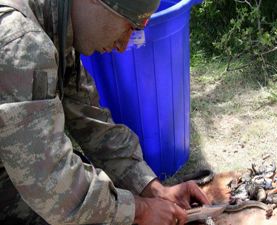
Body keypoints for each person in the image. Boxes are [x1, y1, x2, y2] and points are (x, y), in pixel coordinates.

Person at [0, 0, 210, 224]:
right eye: (128, 26)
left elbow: (94, 126)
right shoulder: (20, 43)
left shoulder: (57, 28)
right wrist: (140, 210)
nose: (123, 46)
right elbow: (50, 184)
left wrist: (153, 189)